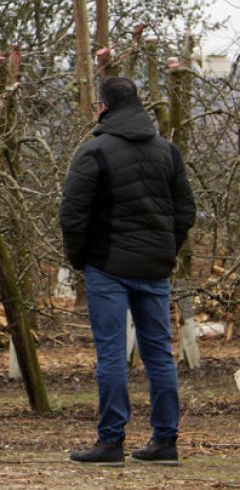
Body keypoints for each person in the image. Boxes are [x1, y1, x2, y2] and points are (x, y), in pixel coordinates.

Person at [61, 76, 196, 466]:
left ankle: (111, 441)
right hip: (155, 267)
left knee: (111, 354)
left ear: (103, 106)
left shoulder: (94, 152)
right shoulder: (168, 152)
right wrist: (166, 249)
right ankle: (165, 440)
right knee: (160, 354)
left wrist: (79, 259)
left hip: (107, 266)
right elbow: (185, 211)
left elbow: (72, 215)